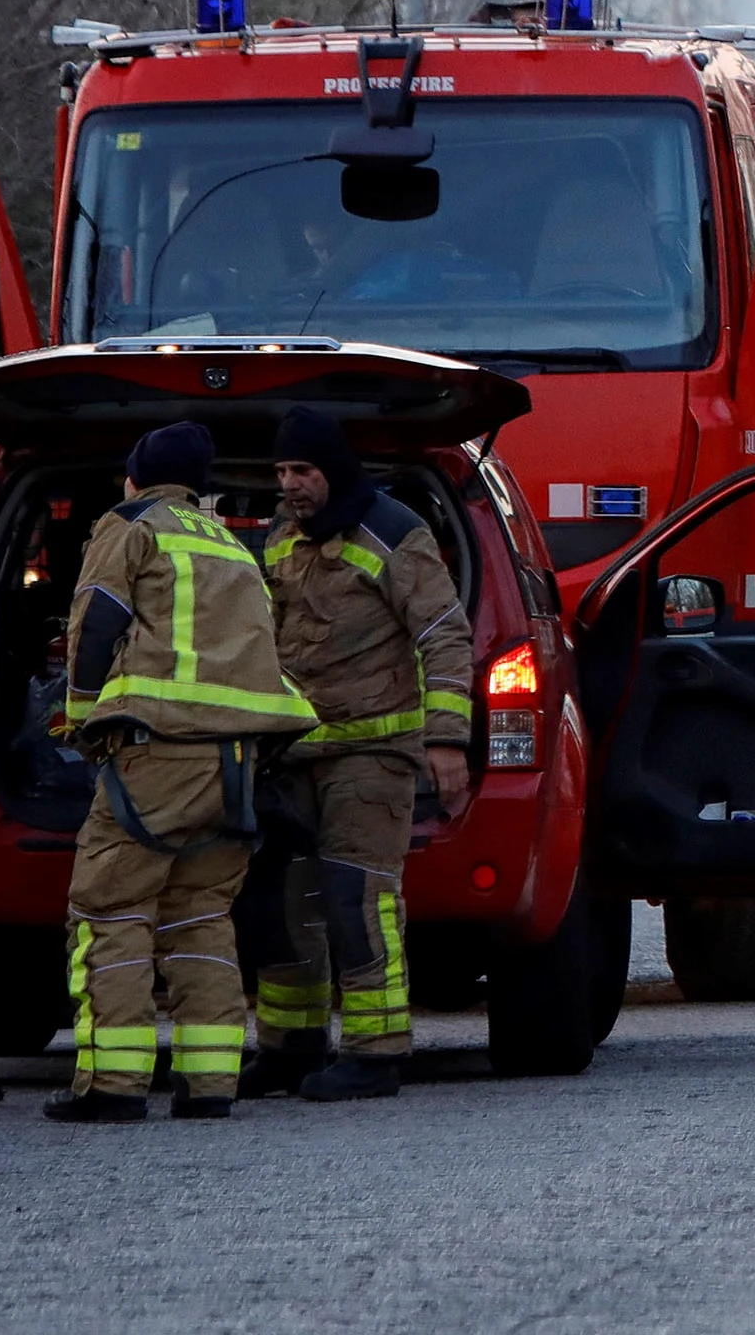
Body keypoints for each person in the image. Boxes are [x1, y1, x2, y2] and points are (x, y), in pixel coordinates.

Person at [51, 421, 311, 1122]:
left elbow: (98, 619)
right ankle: (210, 1085)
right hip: (237, 761)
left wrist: (79, 716)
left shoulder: (130, 525)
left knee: (111, 910)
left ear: (134, 477)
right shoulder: (229, 540)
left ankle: (112, 1086)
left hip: (155, 752)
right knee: (202, 917)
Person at [237, 405, 471, 1103]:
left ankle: (375, 1050)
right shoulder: (283, 537)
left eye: (302, 470)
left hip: (373, 753)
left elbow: (444, 636)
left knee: (356, 896)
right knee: (288, 903)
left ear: (332, 469)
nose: (290, 485)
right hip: (293, 754)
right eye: (281, 471)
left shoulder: (396, 535)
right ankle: (290, 1045)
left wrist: (447, 741)